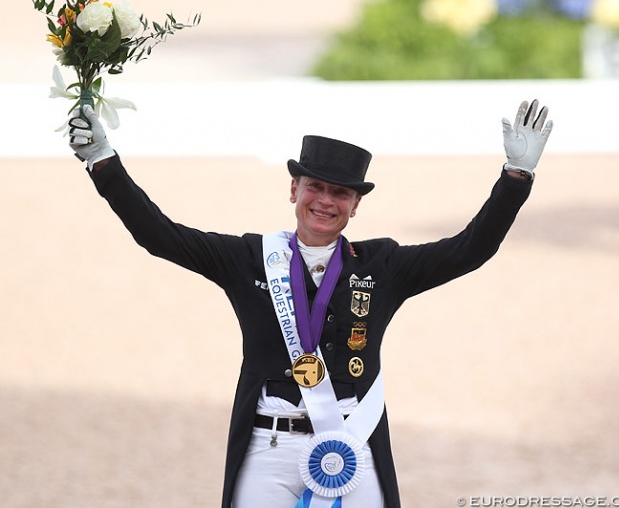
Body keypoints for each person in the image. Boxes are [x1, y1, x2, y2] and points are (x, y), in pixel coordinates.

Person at [67, 99, 553, 508]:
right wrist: (104, 163)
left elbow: (470, 249)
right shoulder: (247, 258)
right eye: (315, 187)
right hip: (268, 446)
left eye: (339, 193)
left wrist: (516, 178)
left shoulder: (382, 264)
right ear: (294, 189)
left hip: (353, 443)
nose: (325, 201)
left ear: (355, 205)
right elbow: (160, 236)